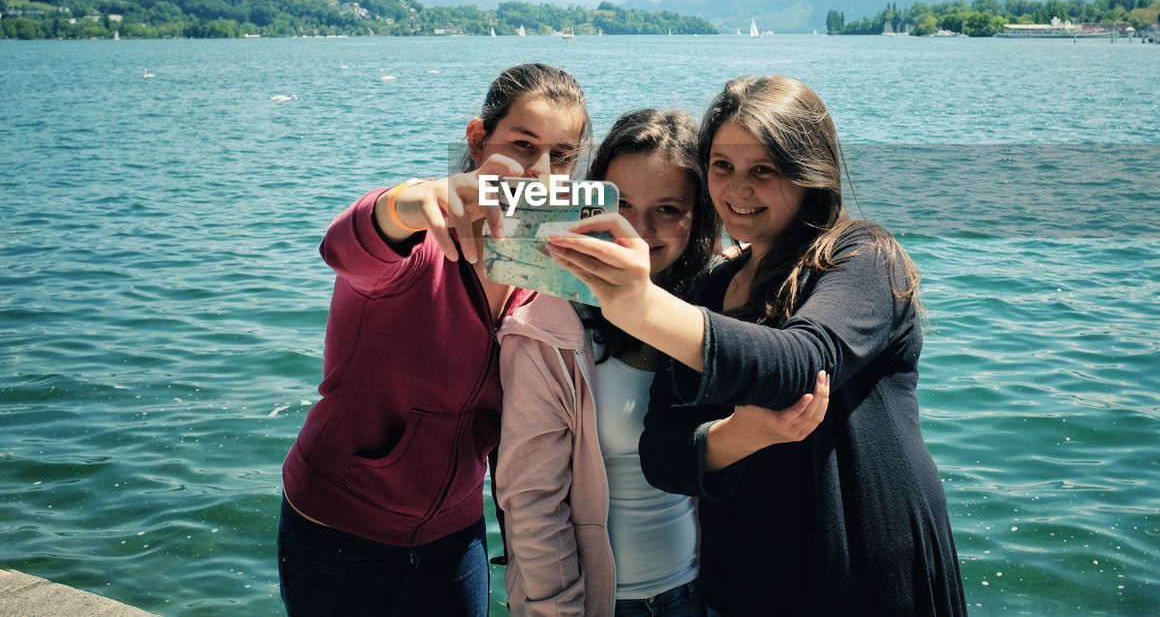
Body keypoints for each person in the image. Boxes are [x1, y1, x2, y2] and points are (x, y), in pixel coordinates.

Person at [544, 76, 968, 616]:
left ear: (810, 171)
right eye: (722, 167)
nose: (737, 191)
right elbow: (662, 454)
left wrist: (638, 304)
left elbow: (802, 362)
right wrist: (737, 436)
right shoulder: (712, 289)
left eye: (762, 171)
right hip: (746, 582)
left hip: (865, 569)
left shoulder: (863, 257)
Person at [277, 63, 591, 616]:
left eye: (562, 155)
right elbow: (344, 247)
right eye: (522, 145)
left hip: (457, 534)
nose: (541, 173)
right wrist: (403, 202)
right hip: (339, 531)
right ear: (476, 139)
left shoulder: (544, 272)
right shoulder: (418, 245)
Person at [494, 109, 723, 616]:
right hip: (600, 604)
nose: (637, 231)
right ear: (588, 203)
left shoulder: (714, 309)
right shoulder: (547, 327)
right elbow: (531, 501)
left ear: (699, 213)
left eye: (668, 208)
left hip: (704, 595)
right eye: (619, 204)